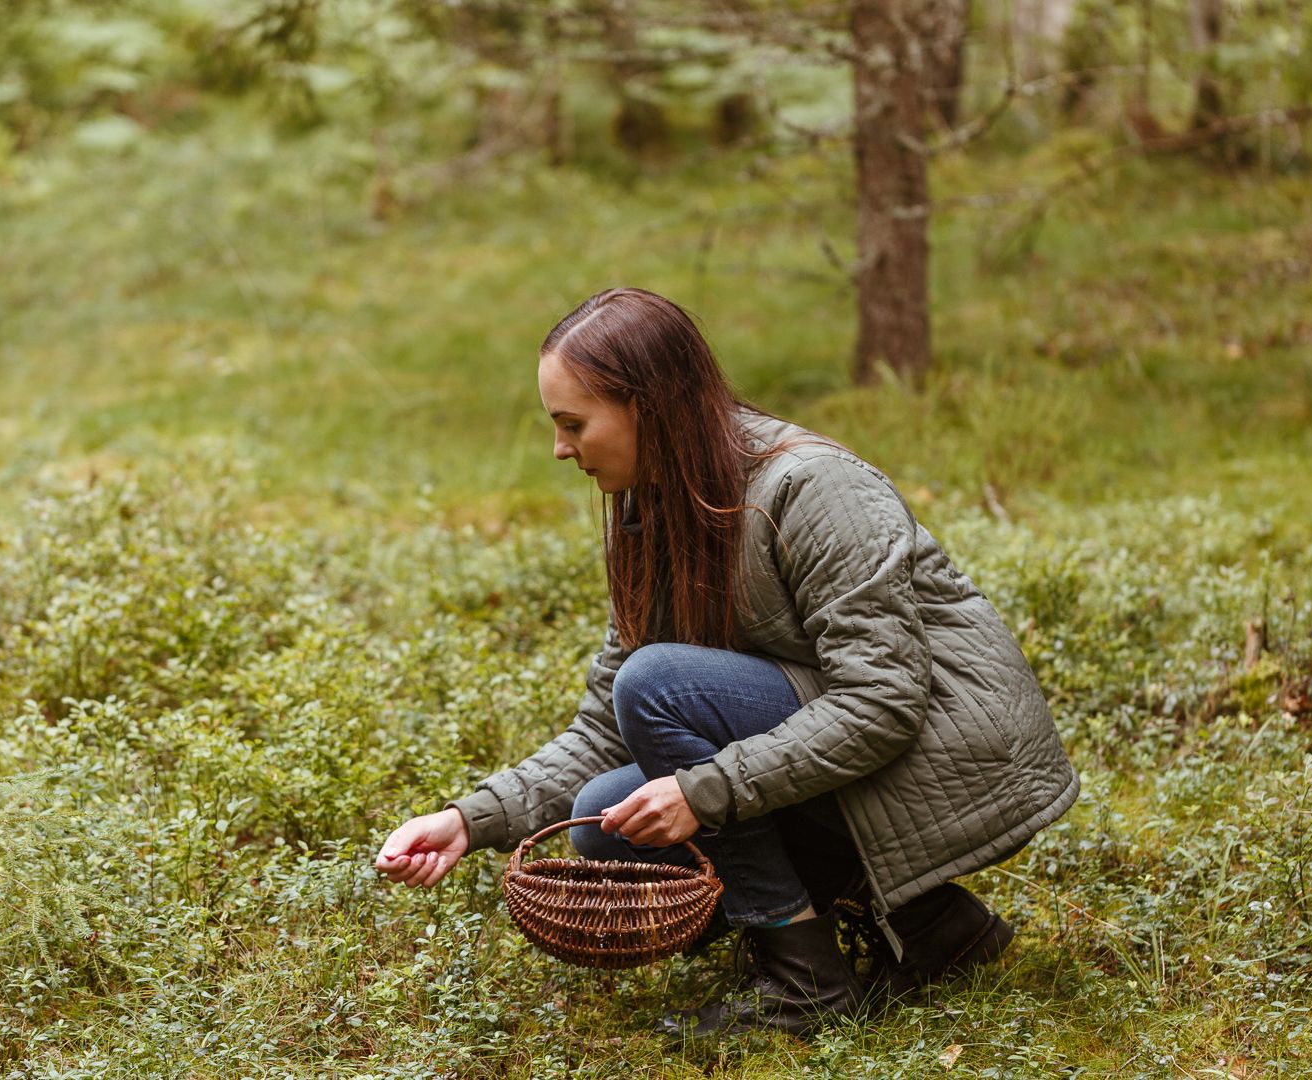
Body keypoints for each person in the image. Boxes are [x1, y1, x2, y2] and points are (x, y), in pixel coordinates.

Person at [373, 287, 1078, 1037]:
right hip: (853, 750)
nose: (559, 448)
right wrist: (466, 820)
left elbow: (881, 702)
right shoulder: (649, 518)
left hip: (949, 750)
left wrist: (705, 793)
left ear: (647, 405)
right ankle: (936, 925)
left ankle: (804, 976)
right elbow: (602, 731)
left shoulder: (813, 488)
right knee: (602, 818)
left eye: (572, 423)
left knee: (659, 690)